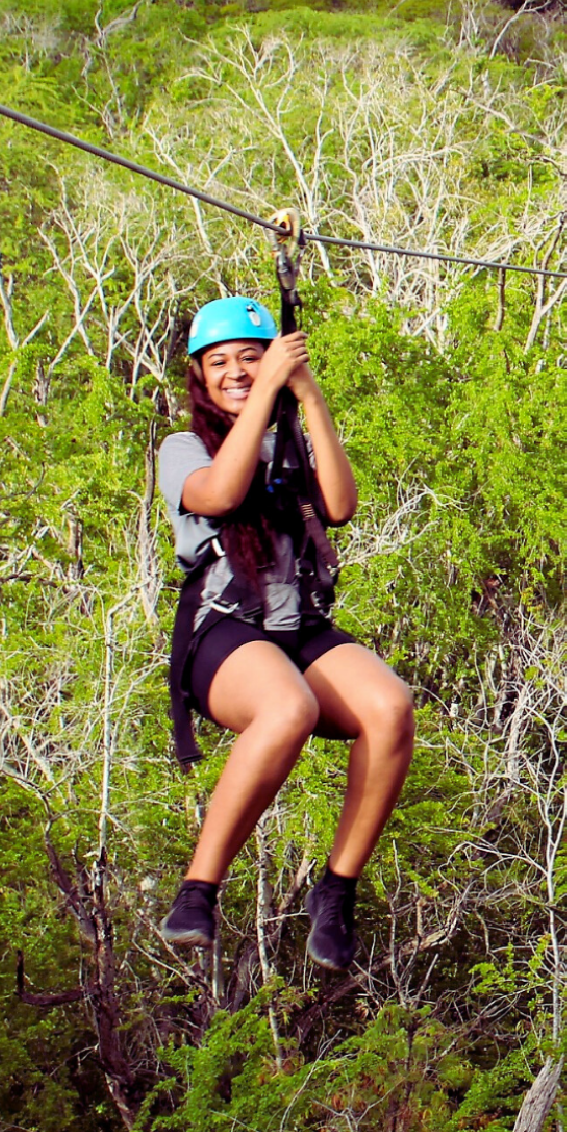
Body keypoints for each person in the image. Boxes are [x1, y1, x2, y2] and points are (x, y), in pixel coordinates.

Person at [155, 296, 415, 970]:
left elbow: (340, 505)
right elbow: (219, 494)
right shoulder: (184, 449)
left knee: (389, 709)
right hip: (226, 633)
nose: (237, 372)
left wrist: (306, 393)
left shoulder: (290, 439)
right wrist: (270, 384)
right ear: (200, 377)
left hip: (299, 626)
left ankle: (336, 891)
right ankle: (197, 893)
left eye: (250, 358)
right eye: (221, 364)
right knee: (287, 708)